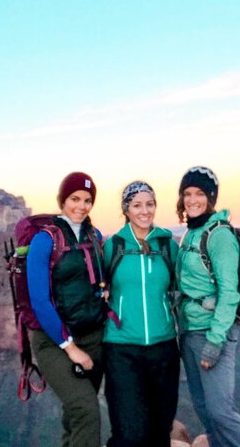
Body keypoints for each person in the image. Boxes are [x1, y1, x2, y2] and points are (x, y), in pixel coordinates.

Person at [175, 166, 240, 447]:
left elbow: (229, 292)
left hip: (212, 331)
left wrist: (215, 340)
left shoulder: (219, 235)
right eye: (187, 193)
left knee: (221, 411)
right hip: (189, 330)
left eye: (199, 193)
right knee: (203, 408)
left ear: (211, 198)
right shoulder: (191, 233)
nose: (192, 199)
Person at [27, 171, 107, 447]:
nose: (81, 206)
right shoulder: (44, 240)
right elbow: (40, 301)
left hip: (93, 336)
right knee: (86, 410)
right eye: (75, 198)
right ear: (63, 200)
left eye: (87, 200)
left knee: (75, 415)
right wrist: (70, 347)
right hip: (55, 341)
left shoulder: (94, 235)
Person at [103, 180, 180, 447]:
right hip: (122, 349)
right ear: (126, 209)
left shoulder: (168, 245)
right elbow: (97, 286)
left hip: (164, 348)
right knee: (129, 433)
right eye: (137, 205)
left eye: (150, 204)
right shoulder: (113, 246)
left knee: (160, 431)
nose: (144, 211)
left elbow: (182, 286)